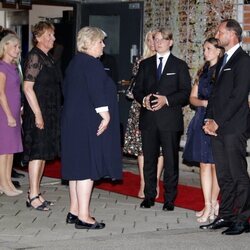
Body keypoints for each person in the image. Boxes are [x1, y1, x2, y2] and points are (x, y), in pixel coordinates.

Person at [61, 26, 122, 230]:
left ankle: (74, 210)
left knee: (77, 167)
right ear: (89, 43)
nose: (103, 45)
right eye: (100, 42)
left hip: (73, 121)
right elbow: (96, 91)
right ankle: (84, 217)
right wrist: (105, 115)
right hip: (87, 121)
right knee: (87, 167)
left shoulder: (75, 62)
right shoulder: (92, 64)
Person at [133, 27, 191, 211]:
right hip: (149, 119)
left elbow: (185, 93)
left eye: (162, 39)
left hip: (169, 121)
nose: (158, 42)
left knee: (171, 161)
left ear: (170, 42)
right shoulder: (145, 64)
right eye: (156, 39)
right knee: (149, 159)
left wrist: (167, 100)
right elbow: (137, 89)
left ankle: (169, 199)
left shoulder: (179, 65)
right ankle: (149, 195)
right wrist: (143, 100)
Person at [201, 19, 250, 235]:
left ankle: (245, 218)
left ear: (232, 35)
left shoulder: (244, 60)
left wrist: (217, 121)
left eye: (220, 32)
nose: (217, 34)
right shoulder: (223, 60)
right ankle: (227, 215)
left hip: (234, 127)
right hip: (218, 127)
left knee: (238, 173)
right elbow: (215, 94)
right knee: (224, 175)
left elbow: (238, 96)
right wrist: (208, 120)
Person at [183, 37, 224, 223]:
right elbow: (192, 97)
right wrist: (203, 102)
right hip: (201, 118)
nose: (205, 52)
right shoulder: (203, 71)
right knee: (204, 164)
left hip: (217, 120)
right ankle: (207, 204)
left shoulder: (224, 71)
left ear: (218, 51)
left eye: (208, 49)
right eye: (204, 48)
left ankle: (214, 203)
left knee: (216, 164)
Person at [22, 21, 61, 211]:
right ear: (38, 38)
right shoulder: (34, 57)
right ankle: (33, 195)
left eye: (53, 35)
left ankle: (35, 192)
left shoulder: (48, 57)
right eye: (48, 35)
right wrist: (38, 114)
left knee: (44, 152)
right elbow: (28, 88)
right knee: (37, 153)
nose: (52, 38)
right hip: (39, 111)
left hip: (50, 111)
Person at [123, 29, 164, 199]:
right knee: (142, 148)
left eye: (155, 39)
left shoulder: (167, 61)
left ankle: (154, 182)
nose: (152, 42)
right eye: (149, 39)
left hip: (161, 108)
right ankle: (144, 183)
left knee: (160, 149)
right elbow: (137, 86)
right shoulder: (141, 62)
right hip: (140, 107)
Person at [0, 33, 23, 196]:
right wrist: (8, 115)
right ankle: (3, 184)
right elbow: (1, 93)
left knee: (11, 150)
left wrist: (19, 111)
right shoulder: (1, 67)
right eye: (14, 46)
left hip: (14, 112)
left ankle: (7, 182)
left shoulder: (14, 67)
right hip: (4, 112)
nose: (17, 49)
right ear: (5, 46)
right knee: (4, 150)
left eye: (19, 47)